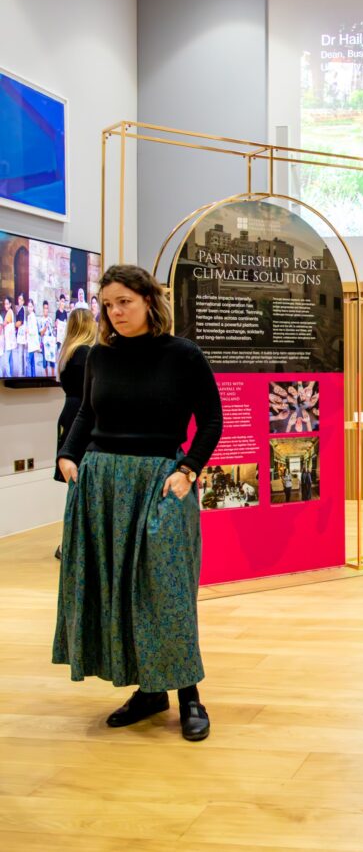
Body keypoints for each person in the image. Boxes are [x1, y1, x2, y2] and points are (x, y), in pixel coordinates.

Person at [54, 264, 223, 742]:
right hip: (102, 481)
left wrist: (188, 470)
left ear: (150, 300)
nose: (115, 312)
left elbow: (212, 421)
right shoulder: (99, 357)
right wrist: (67, 456)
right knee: (118, 591)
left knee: (166, 593)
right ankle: (150, 692)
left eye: (123, 301)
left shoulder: (183, 355)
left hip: (160, 482)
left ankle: (189, 695)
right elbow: (87, 412)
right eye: (107, 304)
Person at [52, 308, 97, 558]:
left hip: (70, 414)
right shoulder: (85, 353)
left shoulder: (67, 353)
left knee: (76, 483)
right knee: (80, 482)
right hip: (81, 417)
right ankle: (71, 544)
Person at [24, 298, 42, 377]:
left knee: (28, 362)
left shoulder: (33, 317)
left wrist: (28, 330)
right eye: (29, 306)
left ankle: (29, 378)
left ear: (33, 307)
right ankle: (33, 377)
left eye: (31, 306)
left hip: (32, 344)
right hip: (30, 342)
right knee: (32, 362)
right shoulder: (29, 316)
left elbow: (34, 331)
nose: (30, 308)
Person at [41, 299, 57, 377]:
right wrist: (45, 327)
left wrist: (55, 329)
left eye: (47, 308)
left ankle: (53, 377)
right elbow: (40, 333)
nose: (46, 310)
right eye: (45, 308)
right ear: (43, 309)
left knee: (52, 362)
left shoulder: (50, 319)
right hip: (44, 343)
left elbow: (52, 332)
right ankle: (46, 377)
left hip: (50, 343)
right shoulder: (40, 320)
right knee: (45, 362)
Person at [14, 292, 27, 376]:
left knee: (20, 355)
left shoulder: (22, 310)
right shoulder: (19, 309)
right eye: (19, 299)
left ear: (23, 301)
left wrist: (14, 325)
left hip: (21, 336)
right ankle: (22, 373)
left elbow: (20, 322)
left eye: (21, 299)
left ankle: (21, 374)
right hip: (20, 335)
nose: (20, 301)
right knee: (21, 355)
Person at [2, 296, 15, 377]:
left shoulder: (9, 313)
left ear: (10, 304)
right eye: (5, 304)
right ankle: (10, 375)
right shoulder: (10, 312)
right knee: (10, 360)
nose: (6, 305)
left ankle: (8, 376)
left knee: (6, 360)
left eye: (7, 304)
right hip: (10, 341)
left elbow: (3, 324)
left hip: (9, 341)